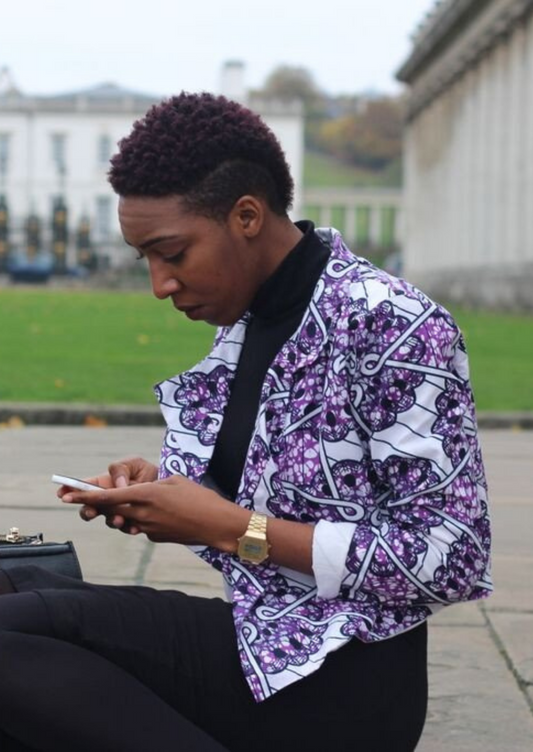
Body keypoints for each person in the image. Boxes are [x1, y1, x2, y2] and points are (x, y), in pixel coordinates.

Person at [0, 92, 492, 752]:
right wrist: (170, 498)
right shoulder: (252, 322)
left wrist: (230, 525)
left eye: (171, 252)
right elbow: (260, 531)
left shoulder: (391, 323)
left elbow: (450, 558)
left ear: (247, 216)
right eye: (143, 257)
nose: (158, 284)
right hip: (261, 641)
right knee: (18, 587)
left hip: (338, 681)